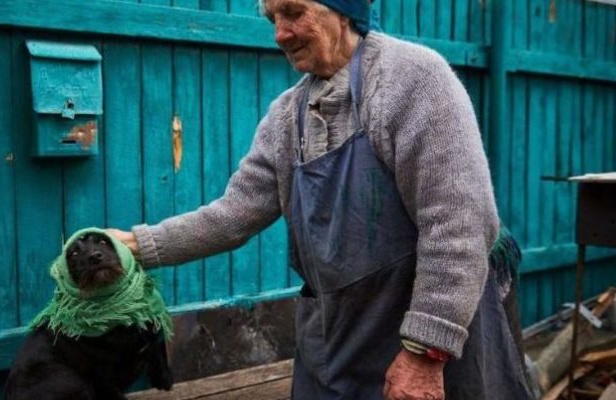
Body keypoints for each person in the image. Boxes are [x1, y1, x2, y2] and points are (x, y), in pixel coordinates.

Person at [108, 0, 533, 398]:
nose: (279, 34)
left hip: (423, 332)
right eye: (272, 18)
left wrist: (424, 353)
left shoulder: (414, 80)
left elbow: (459, 224)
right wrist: (134, 246)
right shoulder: (286, 116)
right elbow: (232, 215)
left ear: (342, 10)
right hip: (339, 336)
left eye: (293, 12)